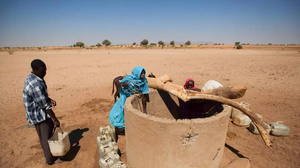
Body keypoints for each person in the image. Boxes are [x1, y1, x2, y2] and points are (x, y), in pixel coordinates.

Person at [23, 59, 63, 165]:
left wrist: (49, 99)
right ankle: (50, 160)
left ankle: (52, 154)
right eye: (42, 71)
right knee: (46, 138)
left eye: (45, 70)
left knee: (49, 134)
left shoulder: (36, 77)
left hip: (41, 111)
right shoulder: (35, 83)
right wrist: (55, 119)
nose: (44, 73)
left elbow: (41, 96)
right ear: (34, 70)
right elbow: (44, 105)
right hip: (39, 115)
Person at [109, 66, 149, 140]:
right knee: (122, 108)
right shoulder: (129, 79)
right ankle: (121, 125)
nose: (143, 74)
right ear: (137, 73)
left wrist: (144, 110)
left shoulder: (144, 82)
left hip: (132, 96)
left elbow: (144, 96)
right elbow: (118, 82)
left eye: (143, 72)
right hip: (125, 95)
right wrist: (123, 84)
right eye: (141, 73)